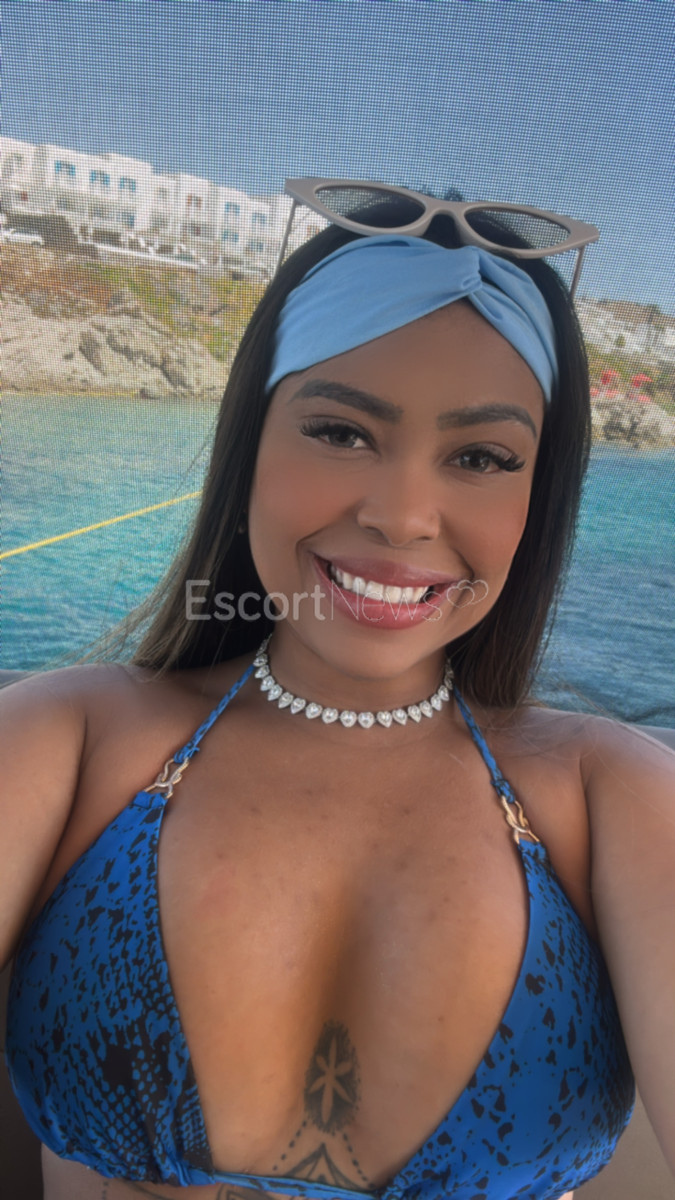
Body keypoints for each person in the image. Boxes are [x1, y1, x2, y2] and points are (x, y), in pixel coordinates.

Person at [1, 181, 673, 1200]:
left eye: (481, 456)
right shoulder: (62, 742)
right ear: (252, 441)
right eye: (341, 432)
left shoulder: (617, 798)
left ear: (537, 498)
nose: (403, 516)